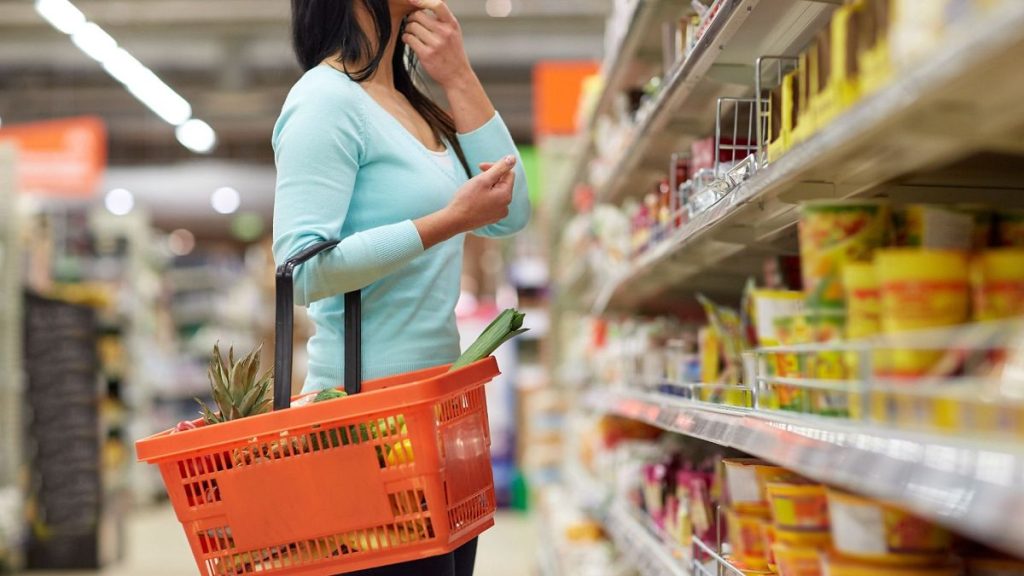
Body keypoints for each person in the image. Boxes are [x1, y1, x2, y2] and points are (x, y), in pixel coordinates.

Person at [273, 0, 530, 574]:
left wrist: (459, 74)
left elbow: (511, 212)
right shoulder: (324, 100)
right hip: (365, 428)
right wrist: (448, 221)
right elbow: (302, 270)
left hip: (438, 420)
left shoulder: (414, 106)